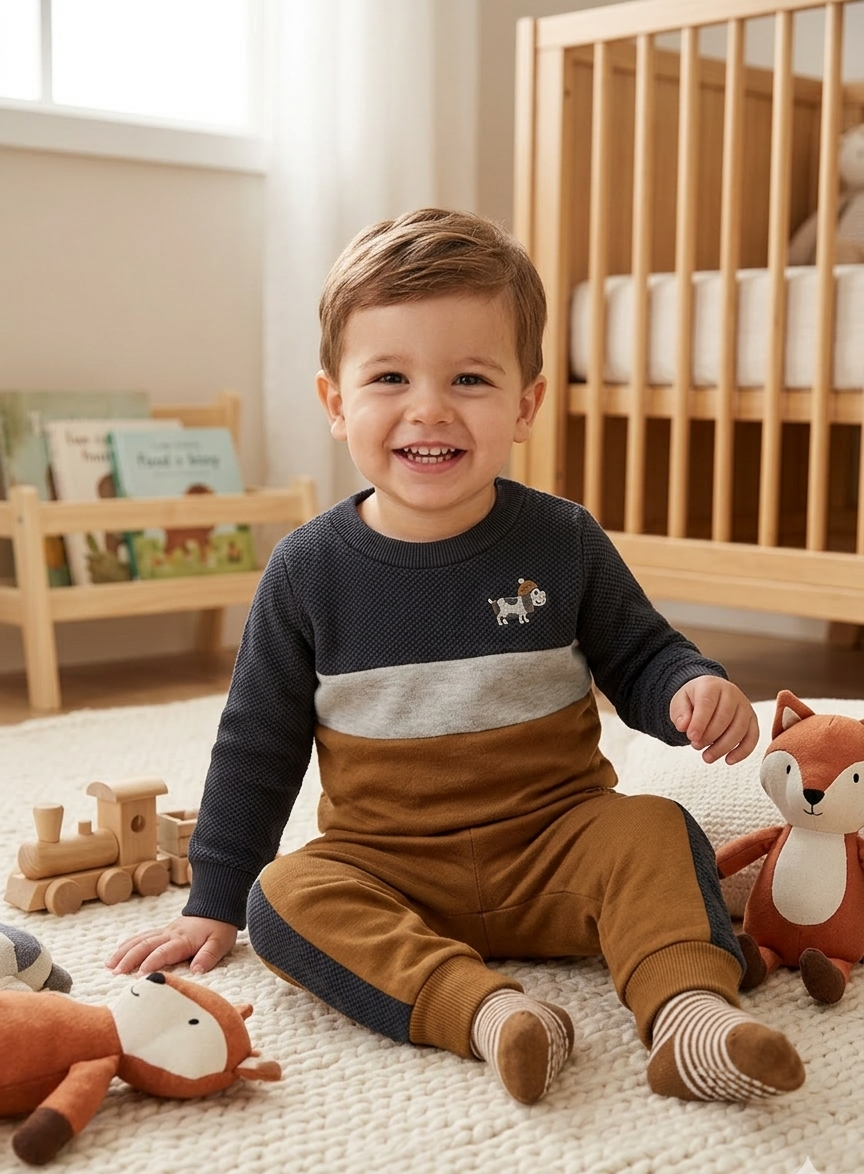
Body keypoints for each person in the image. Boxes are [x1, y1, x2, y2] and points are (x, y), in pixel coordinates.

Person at [109, 208, 805, 1106]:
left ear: (525, 405)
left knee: (656, 830)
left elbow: (640, 652)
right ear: (336, 404)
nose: (429, 407)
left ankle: (691, 1018)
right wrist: (214, 895)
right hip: (392, 870)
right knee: (282, 899)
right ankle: (488, 1013)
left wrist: (691, 686)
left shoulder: (562, 539)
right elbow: (256, 746)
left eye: (469, 378)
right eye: (390, 376)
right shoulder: (307, 571)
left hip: (559, 847)